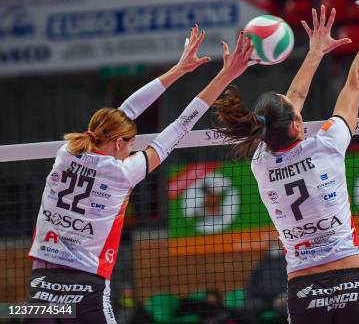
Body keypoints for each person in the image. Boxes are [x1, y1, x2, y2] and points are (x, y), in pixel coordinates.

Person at [212, 0, 359, 323]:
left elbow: (292, 100)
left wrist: (315, 52)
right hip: (350, 276)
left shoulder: (260, 162)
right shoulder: (327, 145)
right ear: (296, 126)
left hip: (303, 289)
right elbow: (356, 82)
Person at [26, 25, 253, 323]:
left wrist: (178, 70)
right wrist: (225, 76)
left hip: (39, 288)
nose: (131, 152)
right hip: (85, 290)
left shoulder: (68, 150)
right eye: (130, 146)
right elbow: (182, 125)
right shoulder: (122, 173)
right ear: (119, 143)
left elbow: (123, 112)